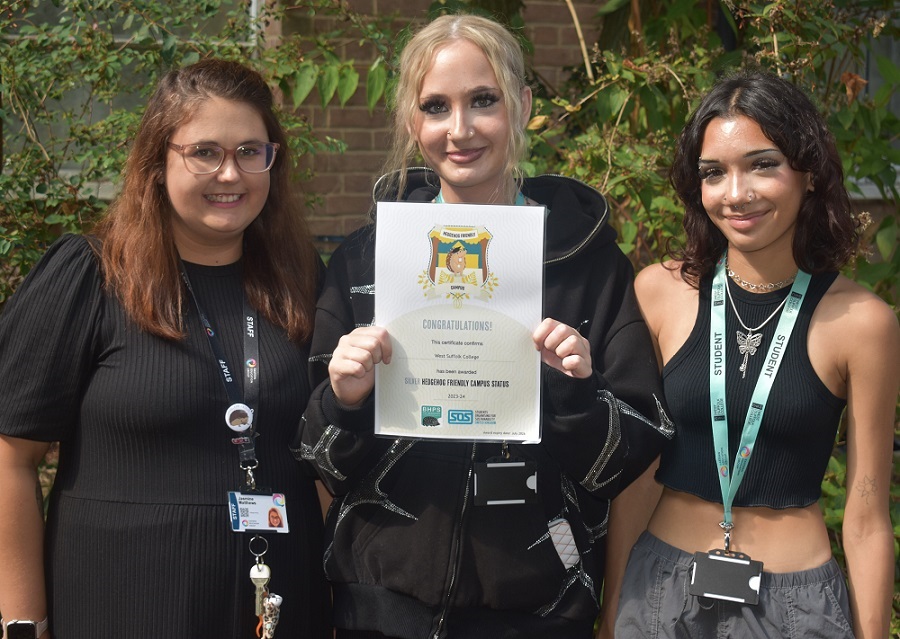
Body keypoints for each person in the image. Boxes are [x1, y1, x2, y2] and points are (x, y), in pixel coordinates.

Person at [292, 14, 673, 639]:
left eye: (483, 101)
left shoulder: (589, 265)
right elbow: (317, 458)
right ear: (412, 123)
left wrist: (576, 393)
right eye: (435, 107)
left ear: (522, 107)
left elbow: (624, 463)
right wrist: (346, 401)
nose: (460, 129)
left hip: (537, 614)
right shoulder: (364, 262)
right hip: (381, 614)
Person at [0, 59, 330, 638]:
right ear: (157, 164)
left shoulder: (300, 282)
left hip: (277, 604)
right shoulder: (91, 276)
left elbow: (326, 457)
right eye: (204, 152)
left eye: (250, 152)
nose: (230, 173)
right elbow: (10, 459)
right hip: (120, 604)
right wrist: (24, 624)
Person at [611, 70, 898, 638]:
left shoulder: (863, 323)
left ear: (808, 173)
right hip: (659, 593)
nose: (736, 193)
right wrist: (612, 612)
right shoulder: (659, 293)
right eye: (713, 173)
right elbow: (638, 477)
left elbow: (866, 518)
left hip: (794, 608)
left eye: (762, 165)